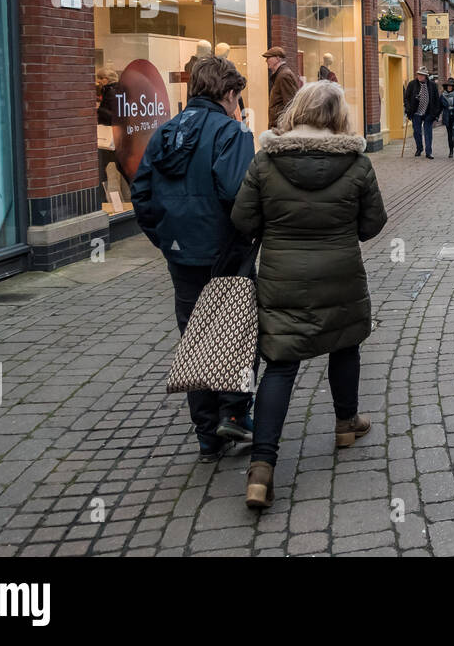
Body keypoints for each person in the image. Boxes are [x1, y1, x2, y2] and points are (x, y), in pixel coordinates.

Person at [232, 80, 387, 509]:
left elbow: (242, 221)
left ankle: (261, 469)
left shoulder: (265, 161)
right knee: (344, 346)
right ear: (338, 116)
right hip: (340, 273)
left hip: (281, 278)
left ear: (296, 111)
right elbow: (372, 225)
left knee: (280, 366)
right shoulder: (357, 164)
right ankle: (345, 424)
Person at [130, 56, 256, 462]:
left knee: (194, 337)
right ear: (229, 93)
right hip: (226, 252)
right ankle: (234, 413)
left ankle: (207, 435)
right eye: (238, 96)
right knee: (235, 332)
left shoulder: (165, 131)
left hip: (181, 255)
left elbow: (142, 195)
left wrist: (165, 239)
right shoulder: (231, 133)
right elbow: (240, 197)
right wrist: (247, 239)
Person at [404, 68, 441, 158]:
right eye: (418, 74)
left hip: (429, 112)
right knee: (417, 132)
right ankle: (419, 148)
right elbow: (406, 98)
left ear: (426, 76)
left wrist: (435, 114)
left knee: (428, 132)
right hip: (416, 112)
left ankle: (429, 152)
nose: (419, 76)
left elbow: (437, 100)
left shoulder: (432, 85)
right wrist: (408, 109)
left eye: (421, 75)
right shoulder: (412, 84)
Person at [263, 47, 300, 128]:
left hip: (280, 126)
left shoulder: (284, 75)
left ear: (277, 58)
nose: (266, 61)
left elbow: (290, 103)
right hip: (279, 124)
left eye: (269, 58)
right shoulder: (281, 75)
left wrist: (286, 126)